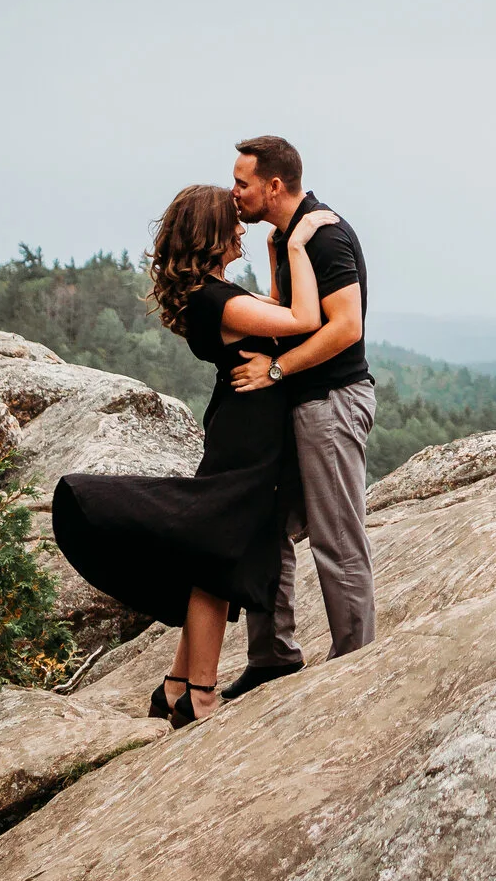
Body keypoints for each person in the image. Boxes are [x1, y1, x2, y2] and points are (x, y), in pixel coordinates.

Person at [50, 183, 338, 727]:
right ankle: (198, 696)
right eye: (232, 221)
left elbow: (275, 309)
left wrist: (278, 254)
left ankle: (177, 684)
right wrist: (298, 245)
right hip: (246, 438)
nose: (241, 229)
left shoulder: (217, 294)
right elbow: (303, 319)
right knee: (216, 556)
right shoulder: (217, 299)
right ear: (211, 233)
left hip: (242, 428)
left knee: (218, 550)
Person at [221, 134, 374, 699]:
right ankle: (273, 656)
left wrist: (277, 371)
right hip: (302, 408)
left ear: (274, 185)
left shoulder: (325, 235)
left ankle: (356, 666)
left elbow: (345, 327)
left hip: (331, 403)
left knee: (336, 539)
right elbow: (293, 313)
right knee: (266, 526)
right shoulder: (289, 235)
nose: (234, 193)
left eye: (242, 183)